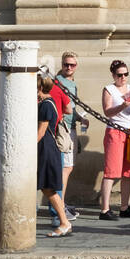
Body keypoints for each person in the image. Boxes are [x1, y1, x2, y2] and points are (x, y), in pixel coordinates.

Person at [98, 59, 130, 220]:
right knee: (111, 171)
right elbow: (107, 112)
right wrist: (123, 104)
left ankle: (124, 206)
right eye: (120, 75)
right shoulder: (109, 89)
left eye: (126, 74)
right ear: (113, 75)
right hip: (115, 131)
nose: (123, 77)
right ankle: (105, 209)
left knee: (127, 172)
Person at [53, 50, 88, 222]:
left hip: (70, 127)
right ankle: (58, 208)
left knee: (67, 167)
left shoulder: (71, 83)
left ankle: (61, 204)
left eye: (72, 64)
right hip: (63, 128)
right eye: (66, 64)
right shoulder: (58, 81)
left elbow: (72, 107)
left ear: (76, 66)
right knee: (65, 168)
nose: (69, 67)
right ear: (62, 65)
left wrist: (80, 118)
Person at [37, 75, 72, 237]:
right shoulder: (46, 103)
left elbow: (41, 131)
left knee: (48, 187)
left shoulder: (46, 105)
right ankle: (64, 221)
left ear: (39, 88)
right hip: (46, 148)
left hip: (47, 149)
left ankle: (64, 222)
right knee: (46, 187)